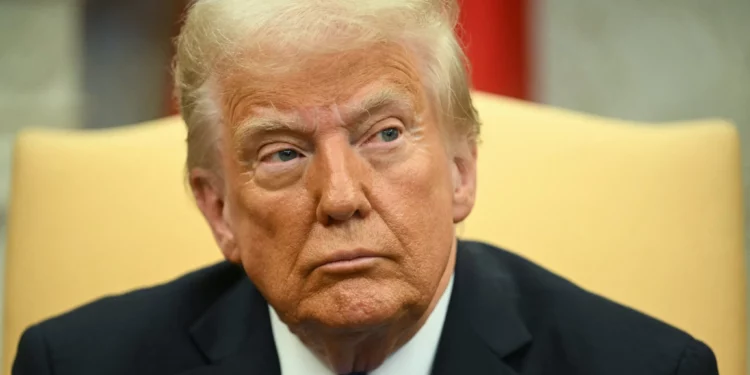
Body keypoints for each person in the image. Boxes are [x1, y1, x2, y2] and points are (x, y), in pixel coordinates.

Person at [13, 0, 718, 374]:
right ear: (218, 206)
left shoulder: (646, 367)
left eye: (383, 135)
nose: (341, 195)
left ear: (461, 169)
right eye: (284, 152)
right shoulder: (75, 363)